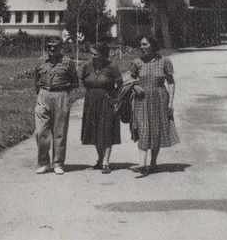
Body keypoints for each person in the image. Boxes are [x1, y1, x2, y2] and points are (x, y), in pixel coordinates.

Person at [129, 35, 179, 176]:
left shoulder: (164, 61)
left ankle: (153, 162)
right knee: (143, 128)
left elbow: (171, 82)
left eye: (145, 44)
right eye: (141, 44)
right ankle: (142, 163)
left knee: (156, 131)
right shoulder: (137, 62)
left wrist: (170, 103)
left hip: (159, 99)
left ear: (152, 45)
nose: (142, 47)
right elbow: (130, 79)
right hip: (141, 99)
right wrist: (135, 86)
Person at [33, 37, 78, 175]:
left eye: (55, 47)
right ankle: (43, 163)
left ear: (61, 48)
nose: (52, 49)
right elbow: (36, 80)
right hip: (43, 94)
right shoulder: (41, 62)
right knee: (40, 132)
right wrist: (41, 94)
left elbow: (75, 82)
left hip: (61, 95)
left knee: (59, 131)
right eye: (49, 47)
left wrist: (66, 96)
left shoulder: (68, 62)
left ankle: (58, 163)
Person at [79, 42, 123, 174]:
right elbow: (82, 80)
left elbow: (120, 84)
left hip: (107, 101)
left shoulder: (112, 67)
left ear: (103, 55)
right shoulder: (87, 66)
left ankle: (106, 162)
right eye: (91, 54)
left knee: (107, 130)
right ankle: (99, 159)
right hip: (91, 101)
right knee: (94, 131)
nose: (93, 57)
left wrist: (115, 99)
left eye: (95, 54)